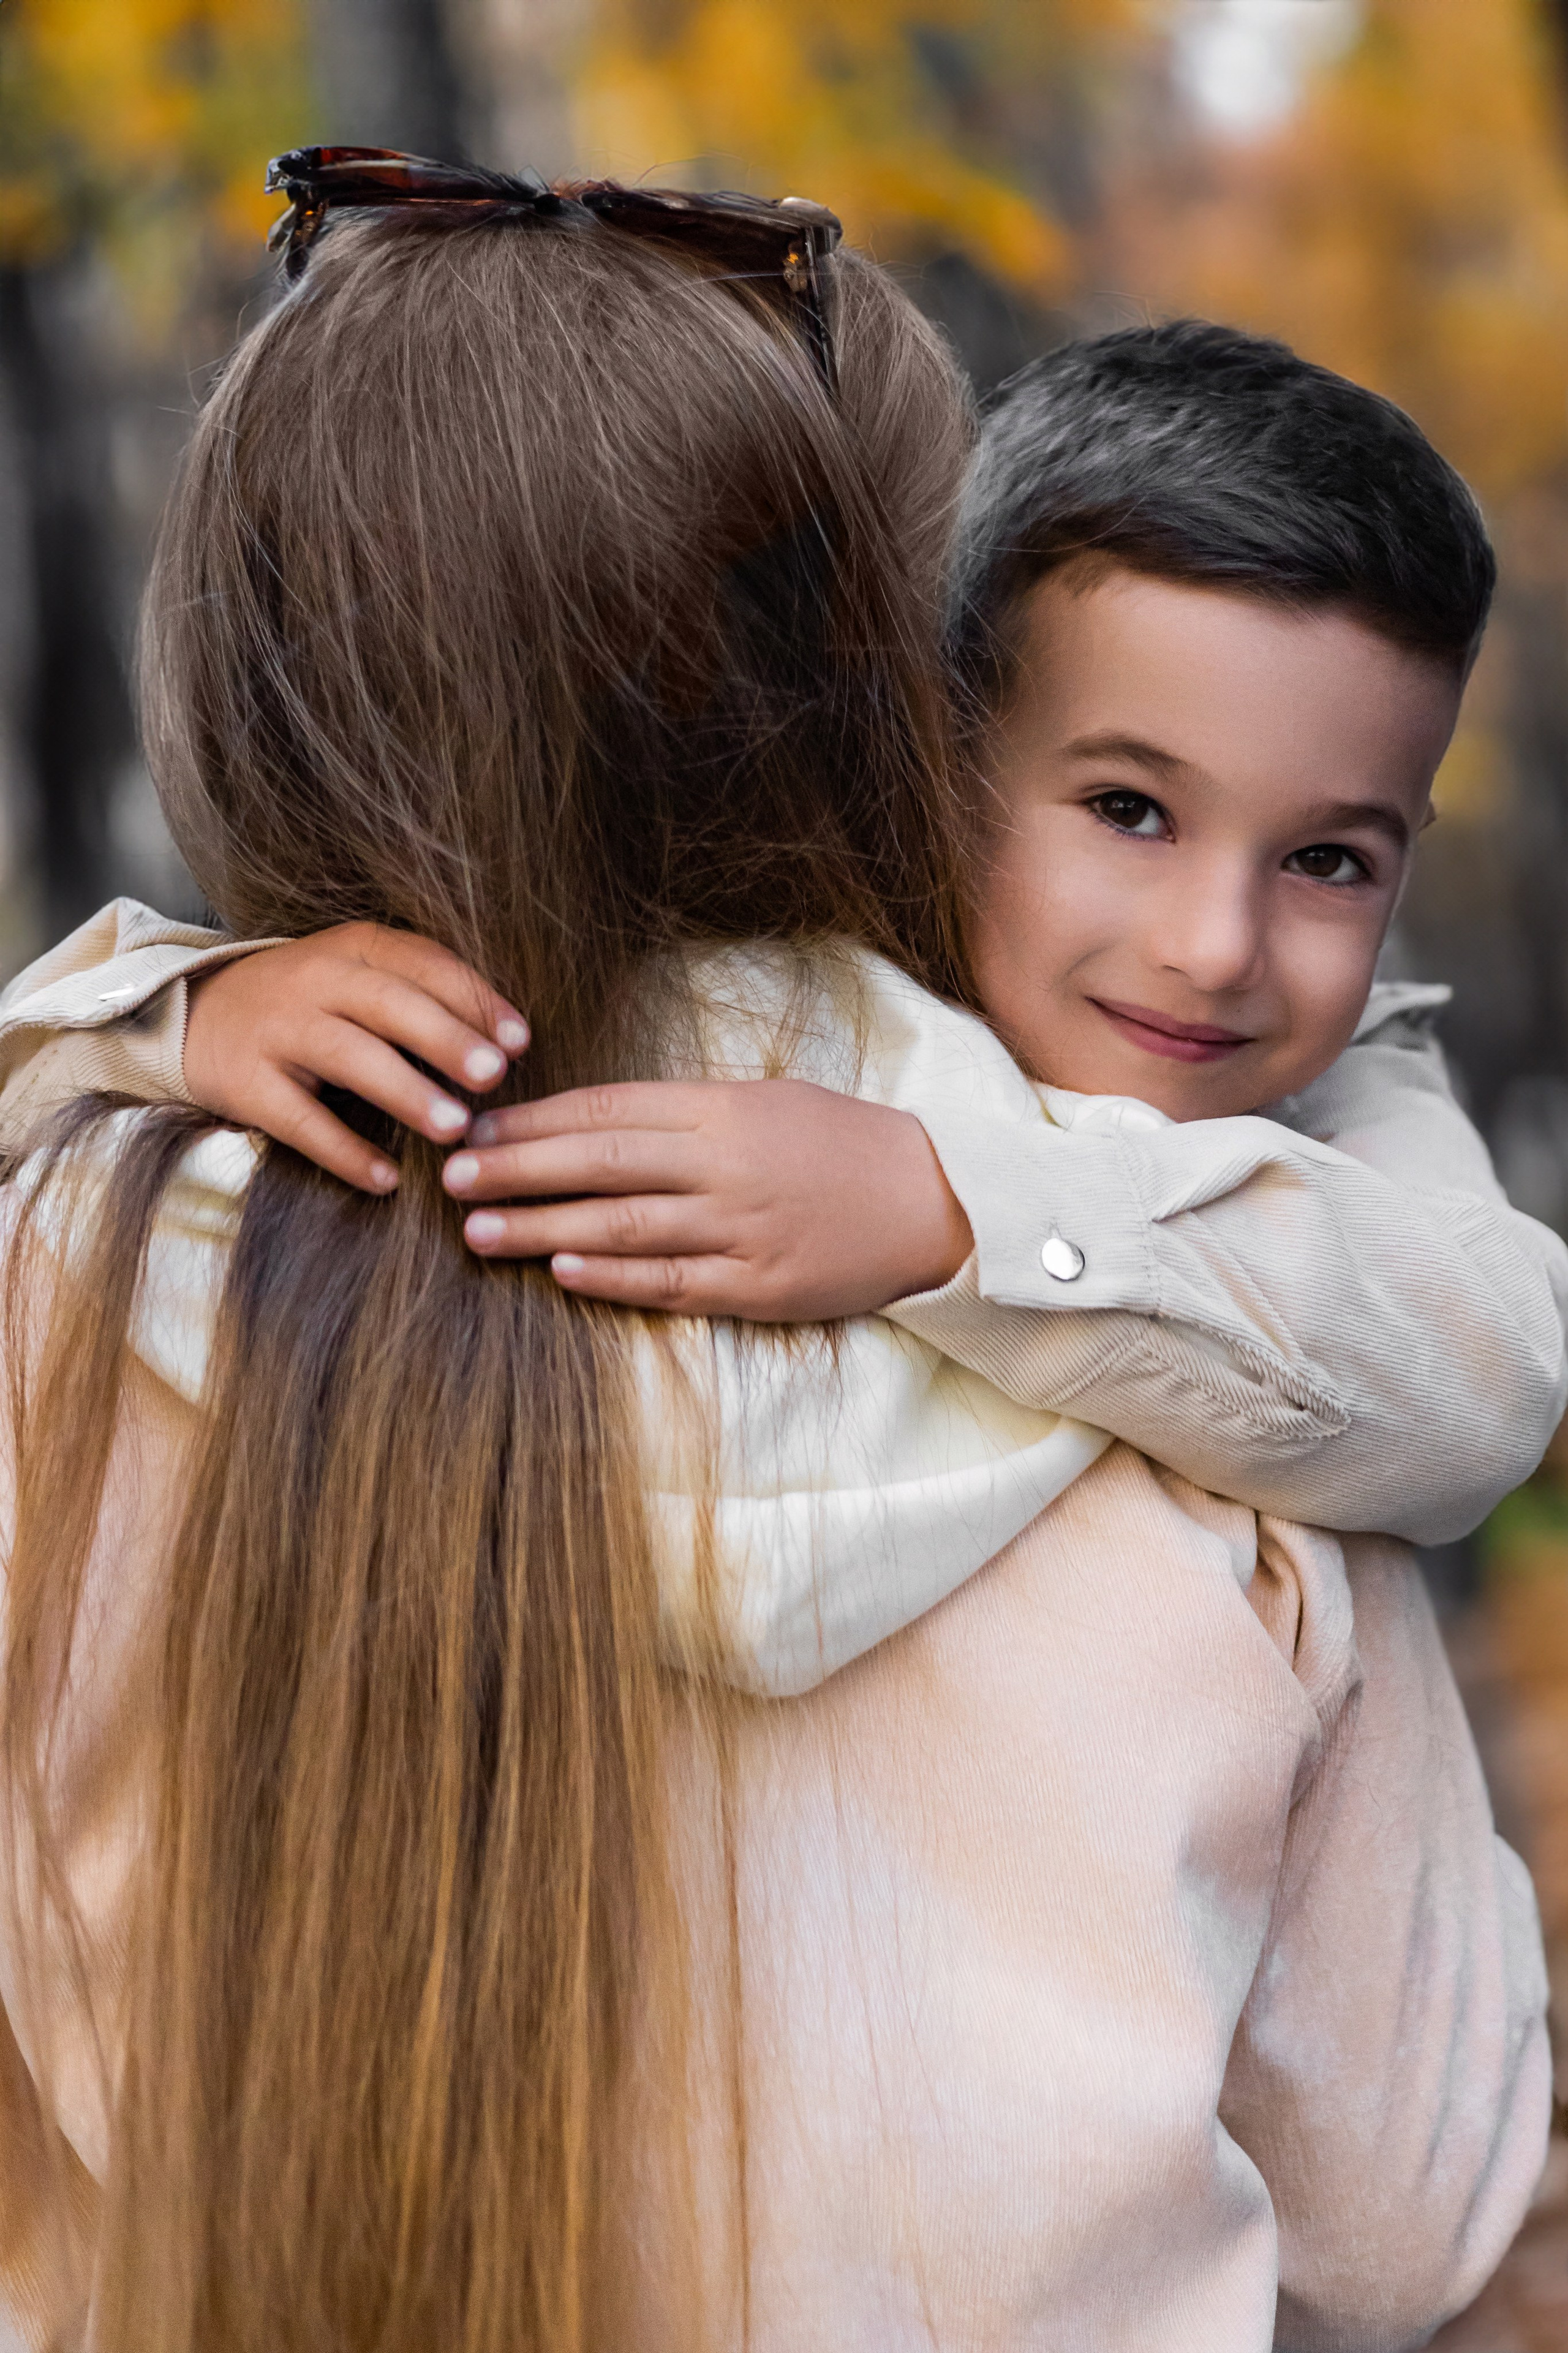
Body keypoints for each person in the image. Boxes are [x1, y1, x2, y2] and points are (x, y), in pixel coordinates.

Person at [0, 163, 1551, 2352]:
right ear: (901, 700)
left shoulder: (62, 1289)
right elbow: (1404, 2223)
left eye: (1321, 861)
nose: (1215, 943)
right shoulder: (1222, 1325)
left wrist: (137, 1024)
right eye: (1128, 806)